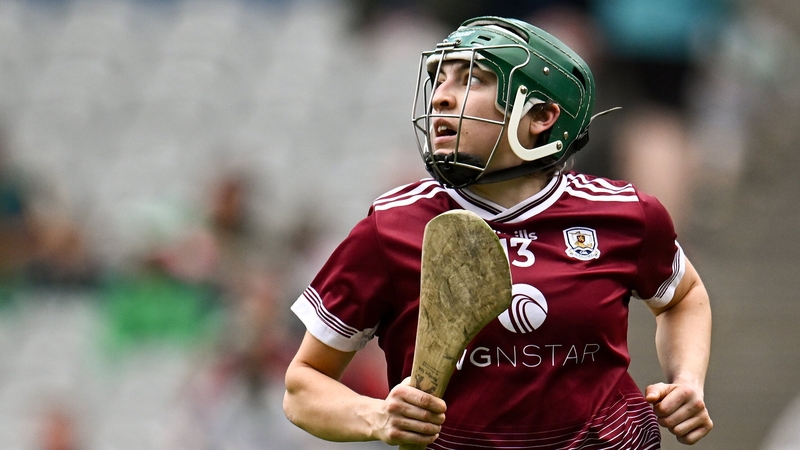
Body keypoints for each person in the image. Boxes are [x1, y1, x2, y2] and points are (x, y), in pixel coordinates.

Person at [284, 16, 713, 449]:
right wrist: (376, 416)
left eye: (473, 79)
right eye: (439, 79)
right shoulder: (392, 226)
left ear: (542, 115)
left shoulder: (625, 214)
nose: (443, 97)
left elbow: (684, 298)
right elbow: (303, 386)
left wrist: (687, 381)